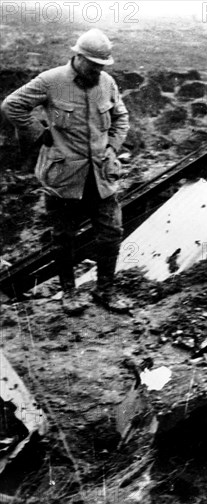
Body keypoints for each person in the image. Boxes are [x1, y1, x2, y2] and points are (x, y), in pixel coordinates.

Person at [1, 29, 131, 314]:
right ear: (78, 57)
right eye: (93, 64)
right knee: (64, 238)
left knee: (111, 232)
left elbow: (121, 117)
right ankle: (69, 292)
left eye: (102, 65)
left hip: (101, 175)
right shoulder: (51, 81)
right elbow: (12, 105)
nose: (98, 70)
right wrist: (39, 134)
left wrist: (111, 145)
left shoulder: (107, 82)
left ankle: (105, 289)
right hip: (63, 177)